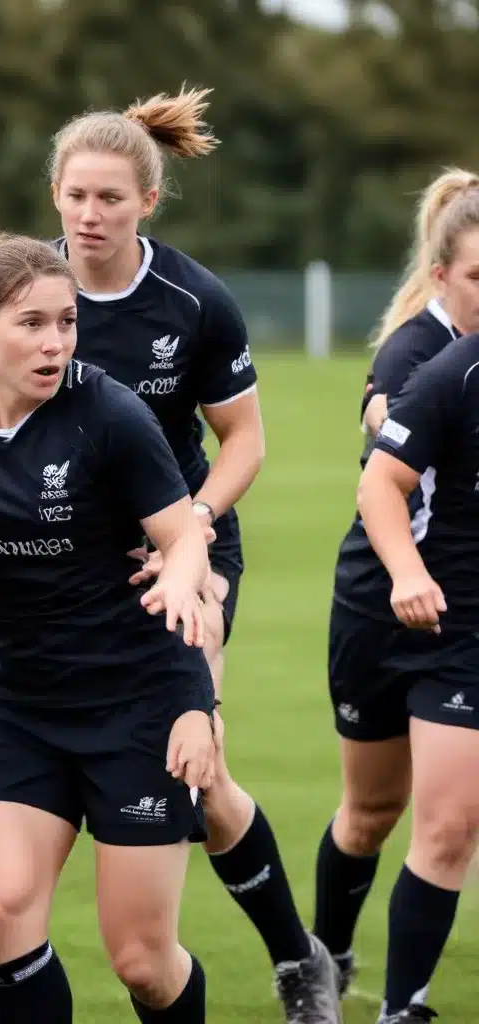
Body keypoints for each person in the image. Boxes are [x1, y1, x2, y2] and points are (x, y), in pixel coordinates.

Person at [47, 90, 341, 1021]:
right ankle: (301, 958)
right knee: (207, 783)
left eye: (110, 199)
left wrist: (196, 529)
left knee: (191, 756)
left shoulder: (192, 301)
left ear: (148, 200)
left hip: (188, 560)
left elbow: (244, 439)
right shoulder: (30, 294)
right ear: (53, 195)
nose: (91, 217)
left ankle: (293, 970)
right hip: (70, 571)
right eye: (75, 197)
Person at [0, 231, 218, 1024]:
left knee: (142, 961)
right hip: (18, 707)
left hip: (140, 704)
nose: (55, 343)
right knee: (0, 915)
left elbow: (186, 539)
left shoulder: (109, 415)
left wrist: (192, 674)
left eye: (67, 322)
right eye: (32, 324)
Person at [314, 173, 479, 1017]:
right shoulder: (423, 352)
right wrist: (399, 414)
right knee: (370, 810)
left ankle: (402, 1003)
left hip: (462, 620)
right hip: (381, 606)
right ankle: (324, 959)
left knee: (447, 822)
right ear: (441, 273)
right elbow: (384, 425)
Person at [352, 317, 479, 1023]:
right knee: (449, 826)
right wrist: (406, 574)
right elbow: (380, 485)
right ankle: (403, 1009)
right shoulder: (455, 373)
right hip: (462, 629)